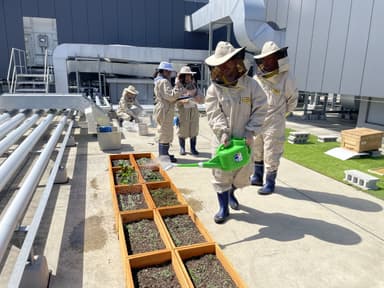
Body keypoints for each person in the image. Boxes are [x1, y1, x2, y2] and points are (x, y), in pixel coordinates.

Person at [205, 41, 267, 224]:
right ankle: (223, 207)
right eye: (221, 64)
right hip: (222, 140)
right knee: (221, 172)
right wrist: (222, 132)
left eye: (229, 62)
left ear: (236, 61)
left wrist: (251, 131)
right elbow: (213, 112)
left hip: (245, 140)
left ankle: (232, 192)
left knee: (241, 173)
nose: (225, 67)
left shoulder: (252, 86)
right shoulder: (214, 88)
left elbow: (261, 109)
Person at [251, 41, 298, 194]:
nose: (268, 61)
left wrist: (280, 114)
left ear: (278, 58)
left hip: (275, 120)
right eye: (266, 58)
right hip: (258, 119)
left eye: (272, 58)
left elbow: (292, 100)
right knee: (257, 148)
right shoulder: (257, 78)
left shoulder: (286, 77)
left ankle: (270, 182)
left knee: (272, 151)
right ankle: (257, 176)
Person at [153, 61, 184, 163]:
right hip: (164, 109)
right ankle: (163, 157)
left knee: (164, 131)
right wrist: (177, 86)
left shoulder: (159, 80)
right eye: (169, 72)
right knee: (165, 132)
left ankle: (164, 154)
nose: (171, 74)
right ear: (165, 71)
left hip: (163, 108)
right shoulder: (164, 82)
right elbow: (170, 96)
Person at [176, 66, 204, 155]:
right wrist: (182, 100)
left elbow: (202, 98)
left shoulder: (195, 85)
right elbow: (174, 98)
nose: (187, 78)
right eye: (185, 76)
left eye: (189, 76)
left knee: (194, 129)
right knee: (182, 129)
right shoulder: (178, 86)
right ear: (182, 77)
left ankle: (193, 148)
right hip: (183, 111)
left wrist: (196, 98)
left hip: (193, 110)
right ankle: (182, 148)